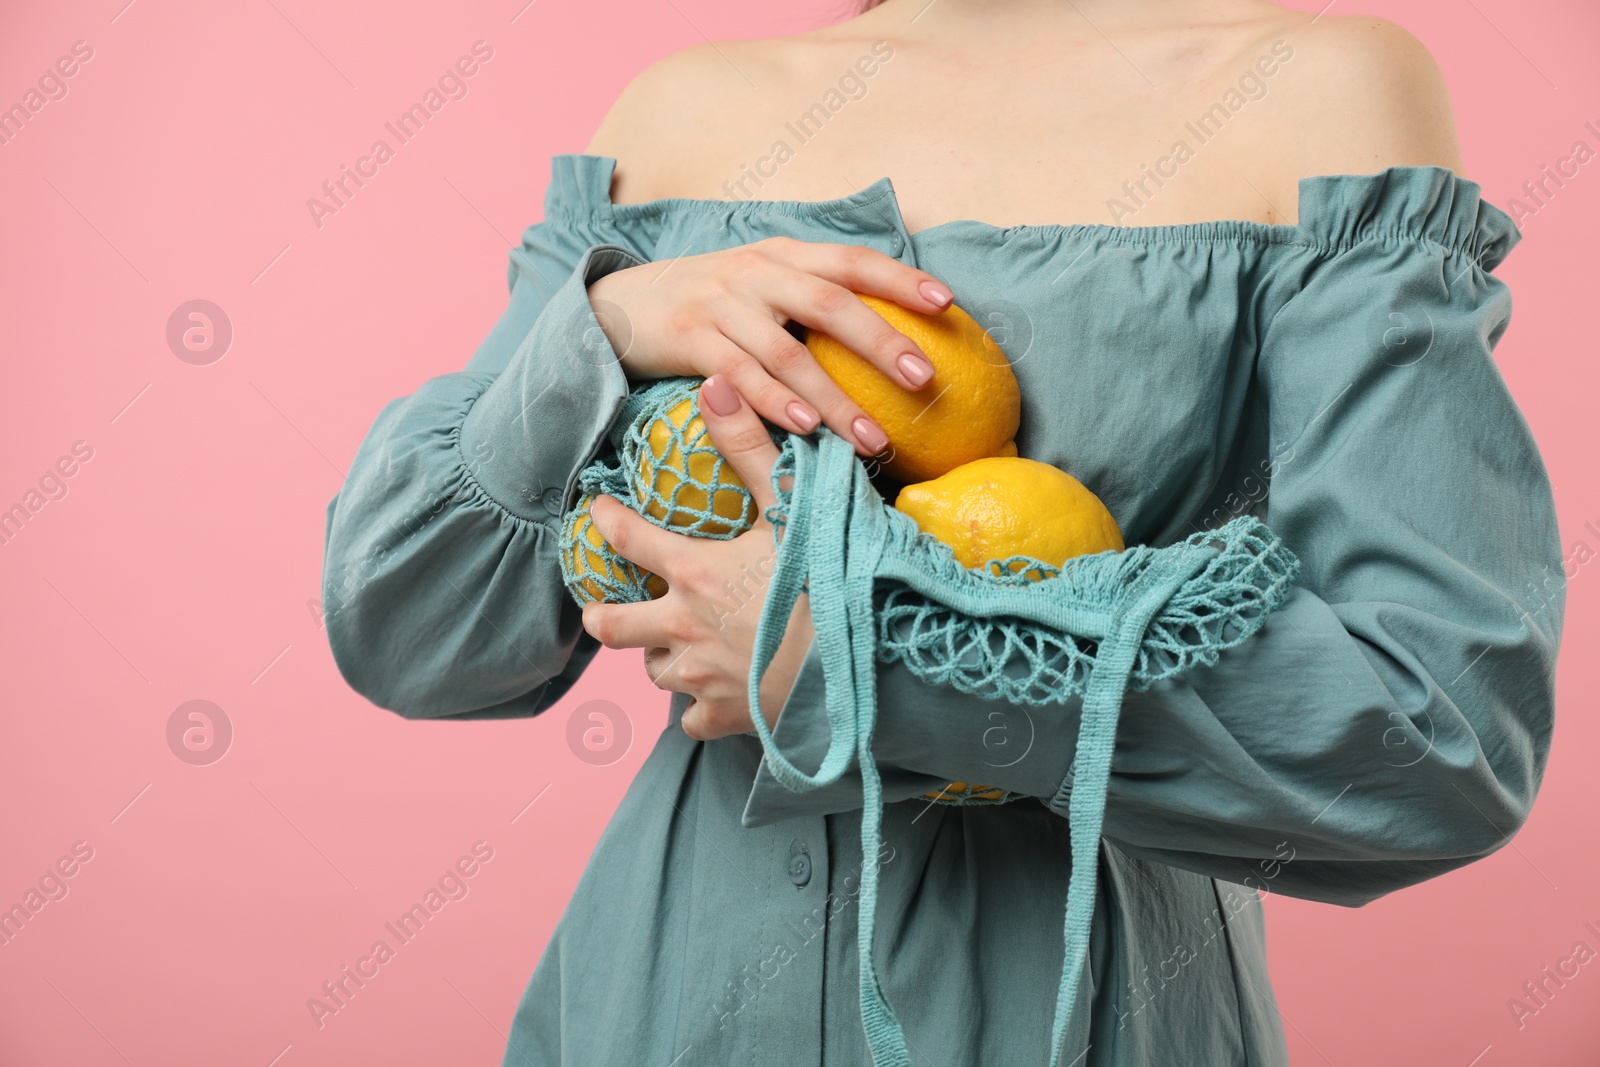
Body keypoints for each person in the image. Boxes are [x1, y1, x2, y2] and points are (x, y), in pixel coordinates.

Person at [320, 0, 1566, 1063]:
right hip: (662, 992)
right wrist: (603, 325)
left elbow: (1440, 732)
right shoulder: (675, 117)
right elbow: (411, 631)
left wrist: (857, 652)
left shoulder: (1317, 95)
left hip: (1083, 1007)